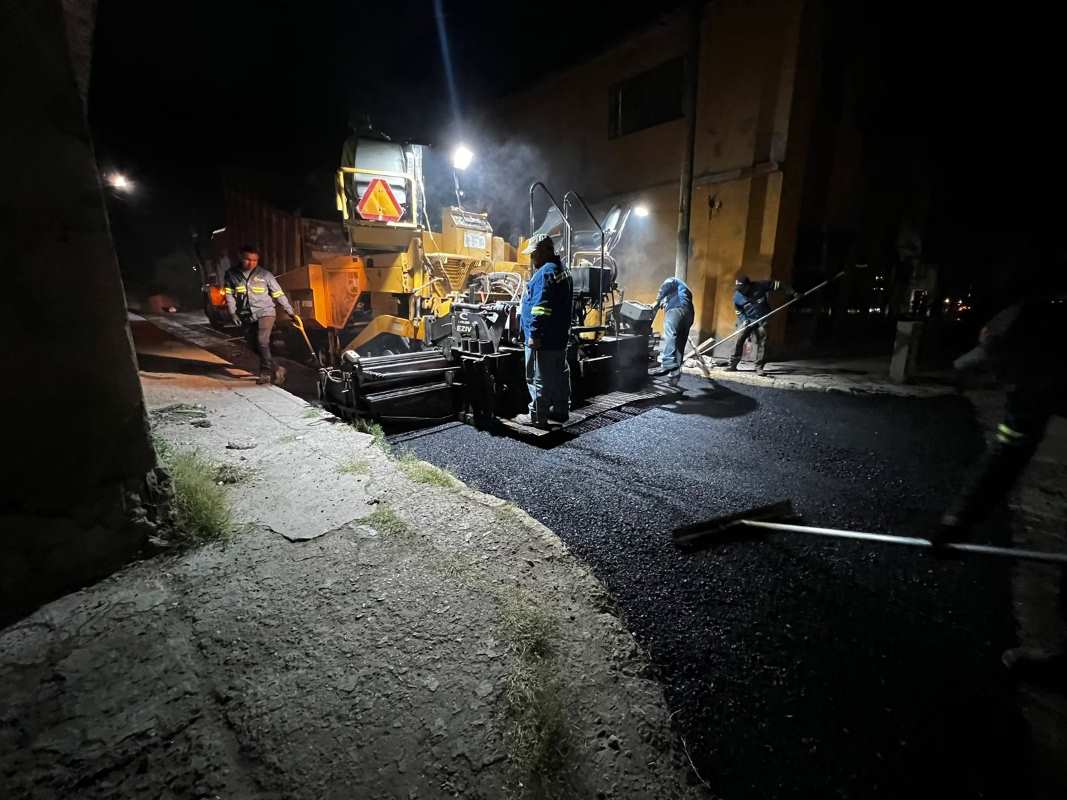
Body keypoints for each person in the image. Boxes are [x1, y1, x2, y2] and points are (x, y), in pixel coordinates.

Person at [933, 295, 1067, 682]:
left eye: (1003, 366)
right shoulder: (1032, 385)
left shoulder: (1041, 373)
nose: (997, 377)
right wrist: (959, 519)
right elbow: (1007, 452)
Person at [519, 235, 572, 427]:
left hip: (543, 338)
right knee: (559, 375)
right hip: (558, 336)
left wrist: (534, 334)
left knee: (536, 377)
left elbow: (541, 307)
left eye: (533, 254)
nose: (532, 258)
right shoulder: (562, 270)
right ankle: (560, 411)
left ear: (543, 251)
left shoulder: (545, 273)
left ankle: (537, 417)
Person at [223, 244, 296, 384]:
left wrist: (290, 311)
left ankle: (265, 373)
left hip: (266, 312)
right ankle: (277, 368)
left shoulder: (265, 275)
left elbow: (278, 293)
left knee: (262, 341)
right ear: (240, 257)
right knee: (253, 346)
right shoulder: (231, 274)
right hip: (246, 314)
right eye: (248, 259)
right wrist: (232, 313)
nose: (251, 263)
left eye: (255, 260)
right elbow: (229, 294)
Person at [726, 275, 796, 375]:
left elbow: (780, 285)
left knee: (762, 342)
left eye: (742, 288)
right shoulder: (737, 296)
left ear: (748, 285)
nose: (740, 290)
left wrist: (793, 293)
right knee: (738, 339)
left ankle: (759, 367)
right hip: (748, 319)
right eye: (738, 288)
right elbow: (738, 311)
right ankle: (733, 364)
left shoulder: (761, 286)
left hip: (762, 318)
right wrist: (744, 320)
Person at [651, 276, 695, 386]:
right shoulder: (684, 292)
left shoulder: (673, 282)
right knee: (679, 344)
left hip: (677, 309)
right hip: (689, 315)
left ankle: (668, 363)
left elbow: (669, 282)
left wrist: (657, 301)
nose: (663, 306)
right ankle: (674, 377)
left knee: (669, 333)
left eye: (663, 304)